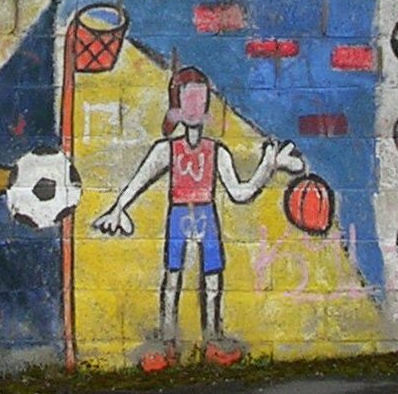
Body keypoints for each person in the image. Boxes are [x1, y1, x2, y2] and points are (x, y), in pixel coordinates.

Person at [89, 68, 306, 371]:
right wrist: (118, 208)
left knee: (213, 277)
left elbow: (240, 192)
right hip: (179, 213)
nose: (195, 108)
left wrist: (268, 166)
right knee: (172, 277)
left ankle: (213, 339)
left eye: (200, 101)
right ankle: (167, 341)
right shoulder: (167, 150)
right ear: (176, 104)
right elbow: (140, 180)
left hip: (206, 213)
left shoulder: (216, 151)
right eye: (188, 100)